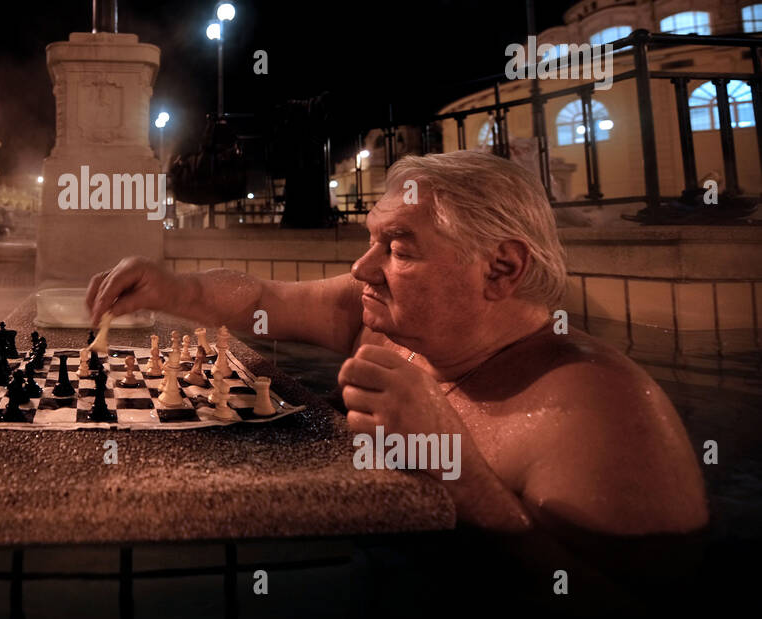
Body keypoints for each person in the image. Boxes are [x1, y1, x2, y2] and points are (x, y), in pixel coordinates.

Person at [83, 150, 708, 537]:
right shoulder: (381, 320)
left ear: (501, 269)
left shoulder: (604, 417)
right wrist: (171, 286)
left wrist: (457, 472)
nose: (363, 268)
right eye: (373, 240)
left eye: (400, 249)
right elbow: (260, 299)